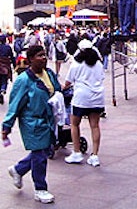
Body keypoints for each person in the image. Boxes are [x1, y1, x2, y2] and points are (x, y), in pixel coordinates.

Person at [2, 45, 60, 204]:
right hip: (32, 121)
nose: (44, 58)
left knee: (43, 150)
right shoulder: (23, 80)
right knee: (40, 155)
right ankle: (40, 189)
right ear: (30, 59)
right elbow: (14, 104)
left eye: (45, 55)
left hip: (49, 119)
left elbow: (57, 90)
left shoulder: (49, 74)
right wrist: (6, 126)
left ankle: (18, 169)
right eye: (40, 55)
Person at [64, 39, 105, 167]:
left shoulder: (76, 63)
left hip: (81, 97)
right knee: (95, 126)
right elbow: (101, 78)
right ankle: (95, 155)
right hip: (97, 97)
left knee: (75, 124)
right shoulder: (98, 64)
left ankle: (76, 152)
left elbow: (68, 82)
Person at [0, 34, 16, 104]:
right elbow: (12, 57)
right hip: (5, 66)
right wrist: (15, 65)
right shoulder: (8, 47)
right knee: (4, 79)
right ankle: (2, 91)